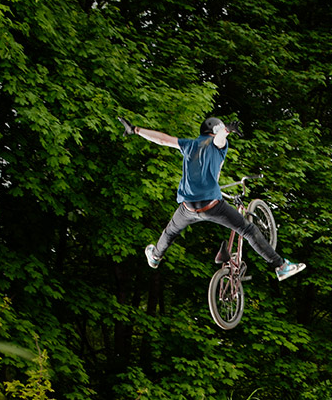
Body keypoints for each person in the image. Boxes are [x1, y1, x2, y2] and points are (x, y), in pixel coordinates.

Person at [118, 115, 306, 281]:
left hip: (188, 208)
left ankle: (155, 257)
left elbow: (162, 139)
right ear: (216, 131)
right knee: (248, 230)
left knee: (170, 232)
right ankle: (280, 266)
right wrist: (227, 131)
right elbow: (219, 140)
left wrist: (136, 130)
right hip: (212, 206)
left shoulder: (188, 144)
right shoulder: (216, 144)